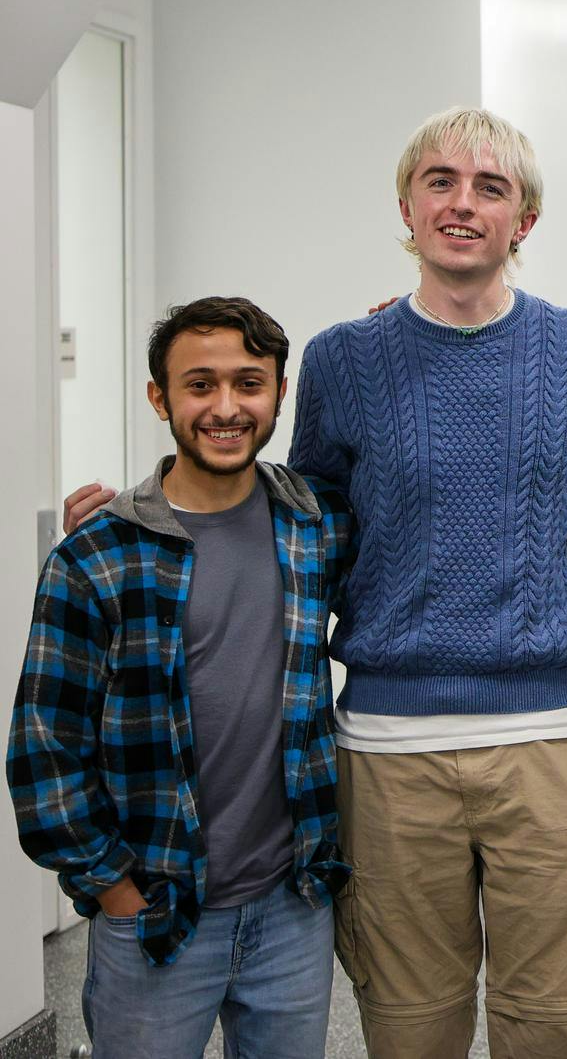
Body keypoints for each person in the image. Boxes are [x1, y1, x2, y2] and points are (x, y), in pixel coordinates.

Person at [286, 108, 567, 1057]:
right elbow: (300, 520)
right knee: (408, 1027)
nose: (462, 203)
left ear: (525, 220)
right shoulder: (341, 359)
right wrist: (140, 513)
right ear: (407, 204)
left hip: (548, 741)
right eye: (440, 181)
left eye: (491, 187)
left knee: (560, 1024)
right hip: (391, 751)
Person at [9, 297, 353, 1059]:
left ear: (279, 394)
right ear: (159, 397)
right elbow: (44, 749)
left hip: (291, 906)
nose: (226, 407)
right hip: (156, 910)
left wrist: (407, 335)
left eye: (248, 383)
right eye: (200, 385)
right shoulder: (96, 554)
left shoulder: (315, 523)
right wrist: (113, 890)